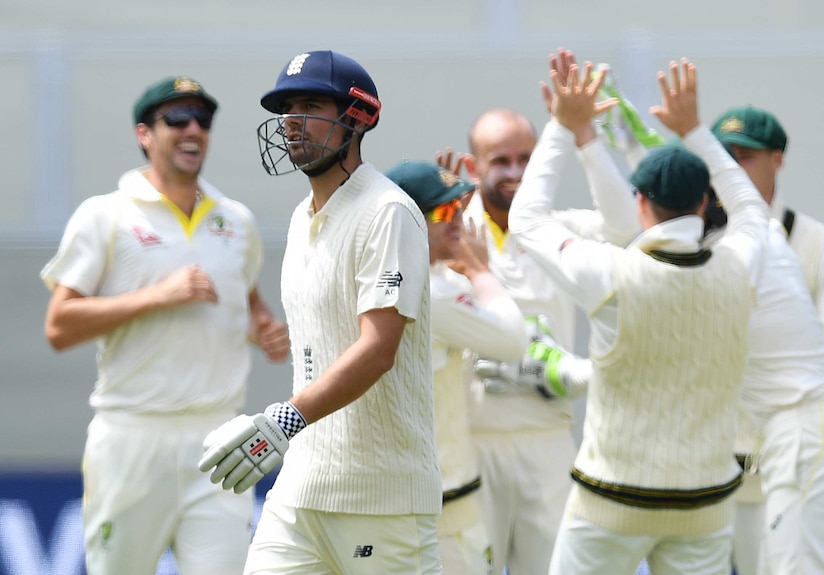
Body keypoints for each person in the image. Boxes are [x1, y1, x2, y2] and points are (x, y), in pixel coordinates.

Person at [509, 52, 769, 575]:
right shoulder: (740, 265)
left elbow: (528, 217)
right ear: (702, 204)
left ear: (641, 203)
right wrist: (695, 130)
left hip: (612, 503)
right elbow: (750, 208)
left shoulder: (612, 275)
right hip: (705, 504)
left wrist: (565, 126)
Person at [198, 51, 443, 575]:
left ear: (357, 117)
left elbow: (377, 350)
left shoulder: (389, 213)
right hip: (301, 487)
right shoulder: (300, 217)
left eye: (311, 105)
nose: (292, 122)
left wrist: (284, 420)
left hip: (385, 500)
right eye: (287, 108)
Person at [40, 75, 289, 575]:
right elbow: (59, 325)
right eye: (176, 118)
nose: (192, 128)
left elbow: (244, 293)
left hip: (219, 437)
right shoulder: (105, 215)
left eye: (203, 119)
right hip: (133, 438)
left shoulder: (234, 220)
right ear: (144, 134)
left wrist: (263, 327)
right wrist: (158, 295)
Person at [710, 105, 824, 574]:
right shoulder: (699, 241)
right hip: (712, 474)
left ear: (777, 159)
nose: (731, 169)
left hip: (793, 468)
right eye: (722, 157)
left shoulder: (816, 244)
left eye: (745, 156)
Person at [441, 107, 581, 575]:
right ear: (473, 163)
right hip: (475, 443)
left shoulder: (559, 229)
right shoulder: (450, 233)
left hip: (548, 439)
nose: (516, 172)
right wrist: (436, 233)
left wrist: (581, 135)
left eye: (527, 158)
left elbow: (626, 223)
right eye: (500, 160)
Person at [386, 160, 529, 574]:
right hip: (445, 505)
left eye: (460, 208)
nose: (460, 223)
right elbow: (513, 341)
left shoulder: (397, 277)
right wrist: (481, 270)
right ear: (407, 221)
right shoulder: (434, 292)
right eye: (444, 212)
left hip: (414, 499)